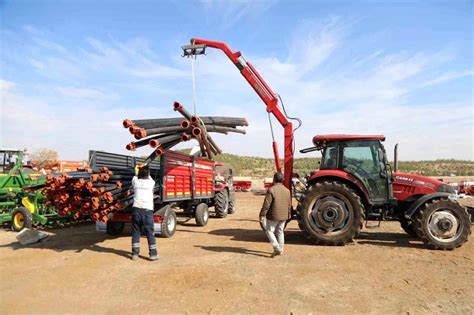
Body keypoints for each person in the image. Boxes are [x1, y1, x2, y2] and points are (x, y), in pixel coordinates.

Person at [259, 172, 292, 257]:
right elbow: (289, 205)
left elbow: (267, 204)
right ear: (282, 180)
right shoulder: (287, 191)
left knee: (269, 231)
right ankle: (281, 250)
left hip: (273, 216)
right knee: (280, 232)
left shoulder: (271, 190)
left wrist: (262, 214)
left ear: (274, 180)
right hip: (284, 216)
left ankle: (277, 247)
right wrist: (289, 215)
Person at [131, 165, 158, 261]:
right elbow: (149, 176)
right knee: (150, 232)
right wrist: (145, 169)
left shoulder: (136, 182)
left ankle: (135, 254)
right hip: (147, 211)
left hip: (136, 210)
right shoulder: (151, 183)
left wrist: (137, 170)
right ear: (148, 174)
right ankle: (153, 254)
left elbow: (135, 176)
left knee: (136, 232)